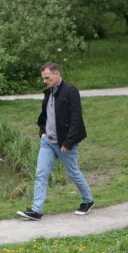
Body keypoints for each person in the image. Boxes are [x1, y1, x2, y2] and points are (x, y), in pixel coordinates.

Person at [17, 62, 94, 221]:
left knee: (73, 172)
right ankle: (36, 210)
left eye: (47, 78)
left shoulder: (71, 91)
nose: (45, 81)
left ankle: (88, 201)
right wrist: (42, 132)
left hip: (65, 143)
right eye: (43, 79)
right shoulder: (49, 92)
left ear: (57, 74)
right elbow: (45, 115)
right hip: (48, 142)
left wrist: (68, 142)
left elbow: (76, 119)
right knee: (40, 174)